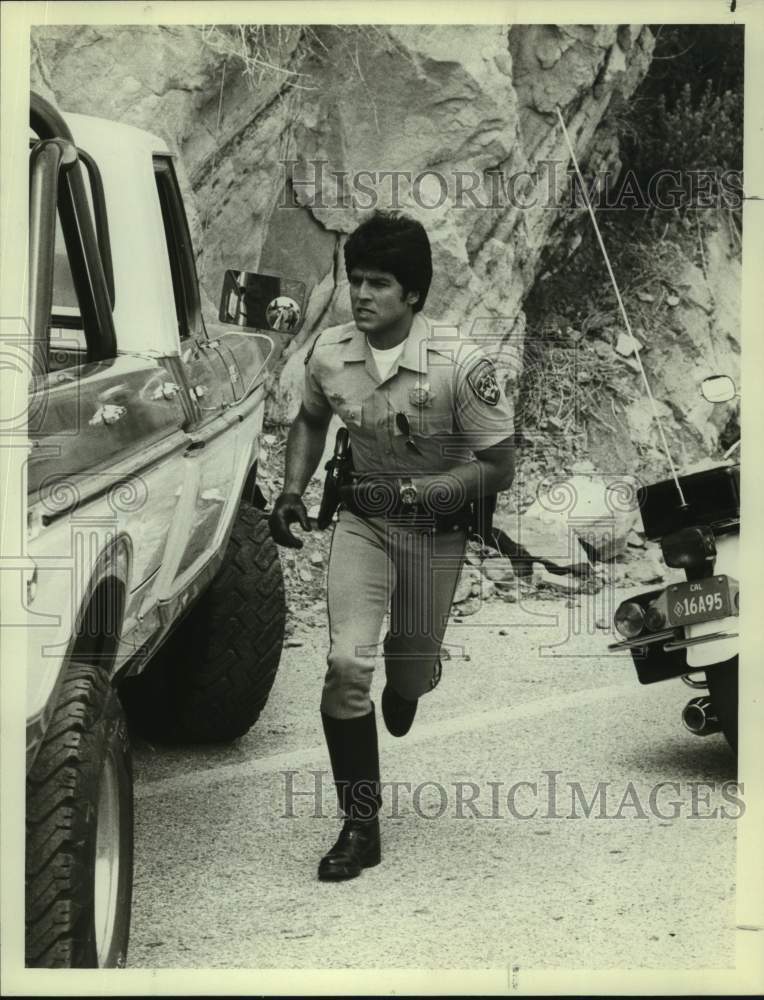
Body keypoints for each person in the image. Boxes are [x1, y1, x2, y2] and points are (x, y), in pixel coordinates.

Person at [269, 210, 515, 881]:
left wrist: (425, 490)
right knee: (347, 664)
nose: (361, 294)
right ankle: (360, 826)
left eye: (379, 283)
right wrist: (291, 490)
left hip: (436, 533)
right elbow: (310, 419)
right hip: (364, 524)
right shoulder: (330, 353)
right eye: (356, 280)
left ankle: (413, 678)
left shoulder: (462, 364)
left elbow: (499, 466)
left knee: (405, 677)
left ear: (413, 293)